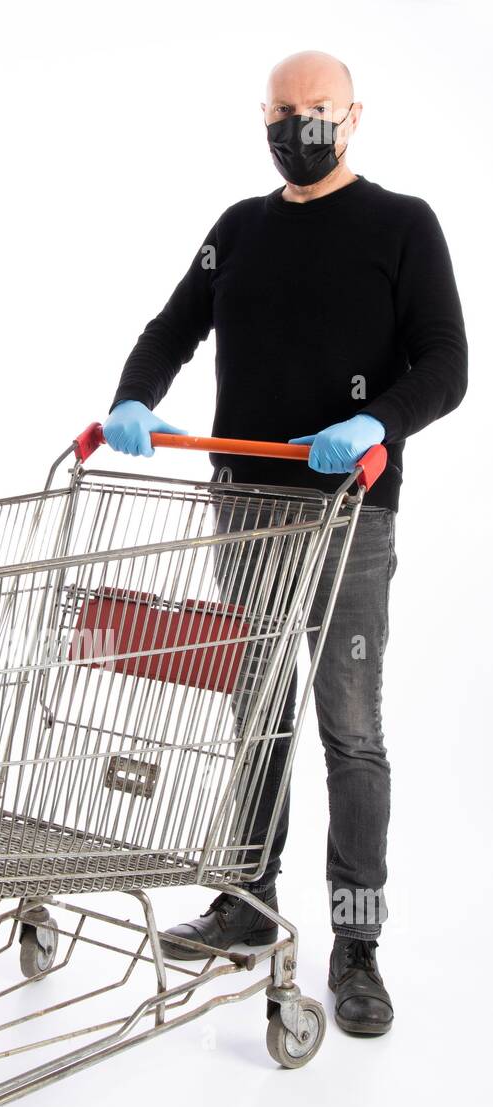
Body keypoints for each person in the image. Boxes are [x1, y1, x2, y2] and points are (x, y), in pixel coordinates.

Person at [102, 50, 468, 1037]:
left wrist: (377, 423)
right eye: (281, 111)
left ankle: (355, 946)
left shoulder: (401, 225)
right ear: (258, 116)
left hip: (348, 517)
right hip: (244, 510)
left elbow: (444, 364)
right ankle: (246, 903)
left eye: (317, 110)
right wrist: (135, 397)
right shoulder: (238, 231)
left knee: (349, 729)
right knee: (253, 709)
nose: (297, 125)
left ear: (352, 117)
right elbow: (170, 326)